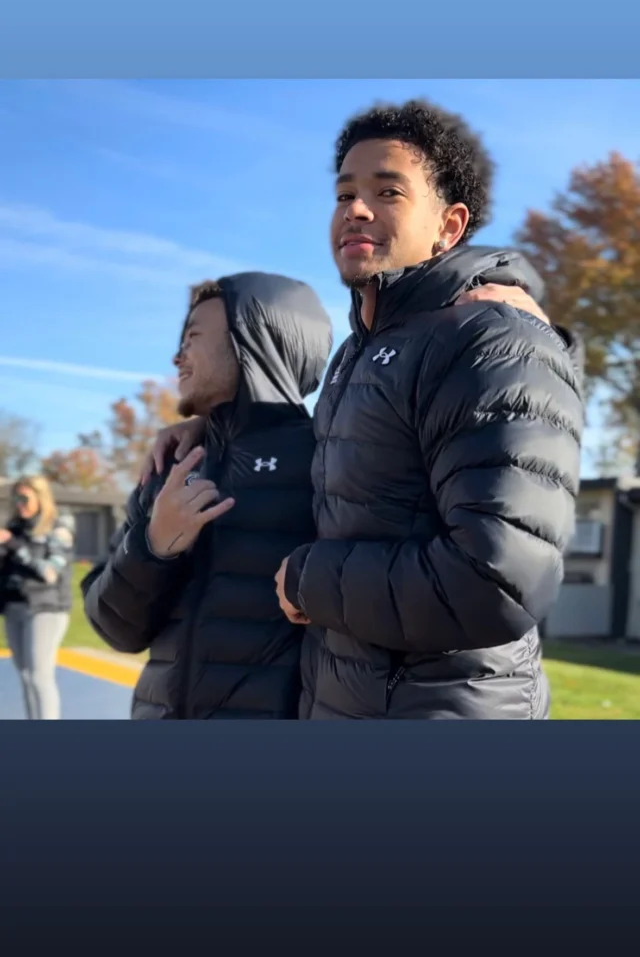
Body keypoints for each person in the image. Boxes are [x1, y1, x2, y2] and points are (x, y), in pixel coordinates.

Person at [150, 99, 583, 720]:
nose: (355, 208)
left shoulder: (491, 337)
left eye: (388, 191)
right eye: (344, 192)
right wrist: (210, 425)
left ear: (449, 226)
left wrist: (309, 580)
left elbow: (500, 582)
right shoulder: (359, 354)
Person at [81, 272, 333, 719]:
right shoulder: (172, 461)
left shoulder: (329, 459)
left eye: (193, 336)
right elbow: (115, 629)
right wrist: (153, 546)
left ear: (253, 340)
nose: (177, 357)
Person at [0, 475, 75, 720]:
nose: (19, 503)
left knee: (39, 675)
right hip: (15, 608)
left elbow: (50, 573)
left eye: (24, 498)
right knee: (24, 675)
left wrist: (14, 546)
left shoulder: (58, 526)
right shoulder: (13, 527)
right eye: (15, 498)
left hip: (46, 609)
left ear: (40, 498)